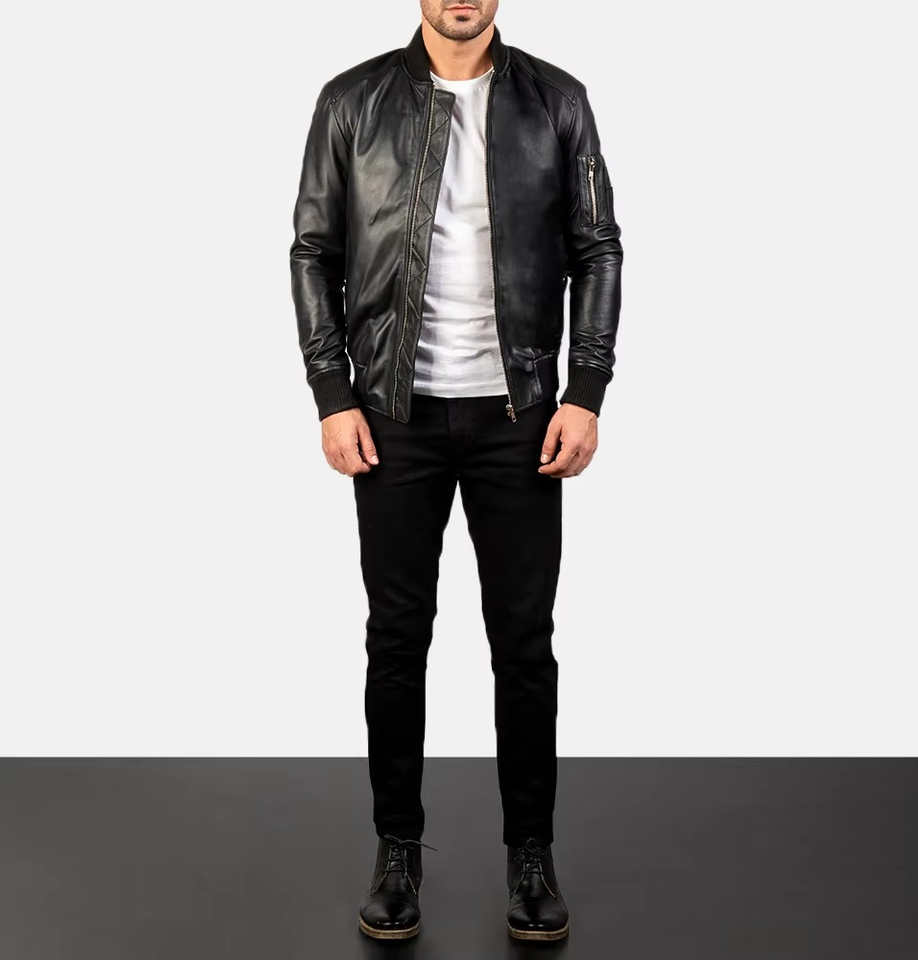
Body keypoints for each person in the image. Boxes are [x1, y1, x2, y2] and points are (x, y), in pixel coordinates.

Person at [289, 0, 622, 943]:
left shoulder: (558, 101)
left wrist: (586, 389)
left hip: (521, 417)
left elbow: (598, 245)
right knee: (397, 640)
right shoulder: (351, 102)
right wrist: (332, 392)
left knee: (524, 643)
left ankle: (532, 854)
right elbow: (313, 251)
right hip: (393, 417)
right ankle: (397, 851)